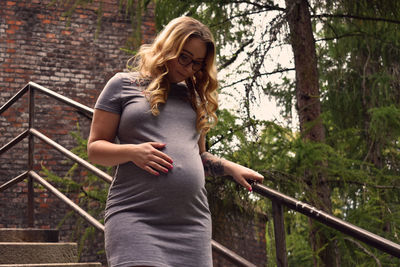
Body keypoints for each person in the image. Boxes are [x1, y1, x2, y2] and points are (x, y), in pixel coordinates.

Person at [87, 16, 264, 267]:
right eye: (184, 57)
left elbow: (200, 156)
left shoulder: (195, 98)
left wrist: (230, 168)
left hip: (191, 224)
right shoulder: (122, 85)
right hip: (136, 216)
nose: (189, 68)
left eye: (198, 63)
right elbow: (95, 149)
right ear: (169, 46)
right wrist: (133, 152)